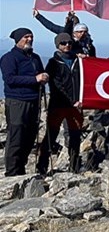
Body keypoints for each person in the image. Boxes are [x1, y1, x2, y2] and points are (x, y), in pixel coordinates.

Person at [1, 28, 48, 176]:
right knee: (16, 136)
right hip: (17, 101)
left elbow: (39, 75)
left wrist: (43, 78)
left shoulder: (35, 57)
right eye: (26, 37)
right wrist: (35, 79)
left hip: (33, 101)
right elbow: (10, 79)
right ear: (18, 39)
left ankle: (20, 169)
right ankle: (11, 172)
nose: (29, 39)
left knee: (29, 136)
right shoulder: (9, 58)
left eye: (31, 36)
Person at [37, 33, 83, 174]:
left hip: (76, 106)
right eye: (63, 43)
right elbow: (56, 84)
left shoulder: (79, 61)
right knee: (51, 135)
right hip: (58, 105)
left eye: (69, 42)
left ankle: (74, 167)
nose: (67, 45)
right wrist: (72, 100)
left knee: (75, 136)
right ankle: (42, 167)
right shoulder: (53, 63)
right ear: (57, 45)